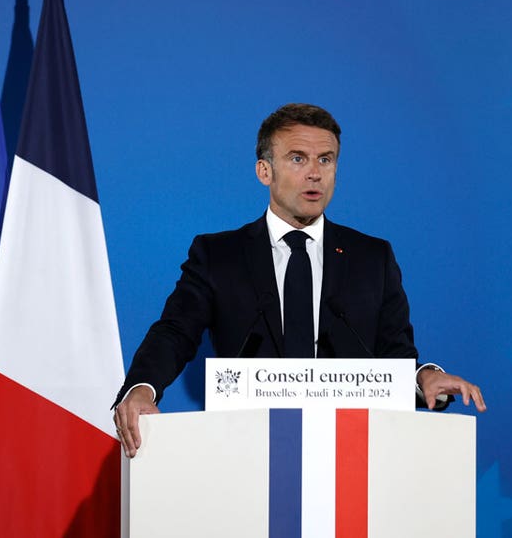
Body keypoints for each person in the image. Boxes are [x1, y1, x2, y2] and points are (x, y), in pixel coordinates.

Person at [113, 104, 485, 457]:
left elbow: (395, 355)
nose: (314, 173)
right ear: (264, 171)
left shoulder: (373, 258)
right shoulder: (218, 255)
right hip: (247, 453)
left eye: (326, 160)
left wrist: (424, 377)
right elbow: (175, 332)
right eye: (297, 159)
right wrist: (142, 388)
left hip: (353, 459)